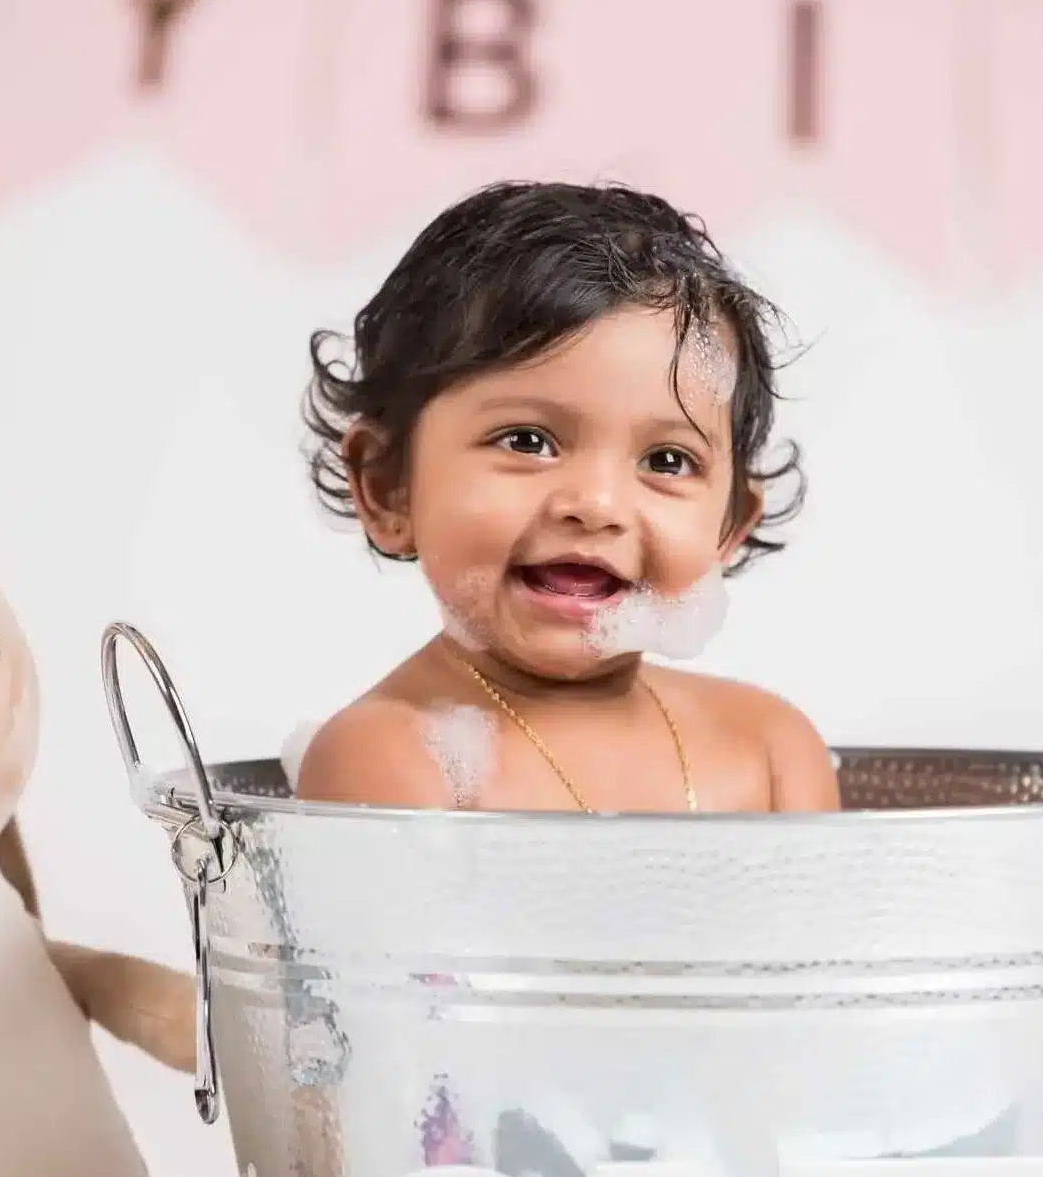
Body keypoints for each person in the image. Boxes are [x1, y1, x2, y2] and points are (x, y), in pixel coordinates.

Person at [292, 180, 841, 815]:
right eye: (527, 441)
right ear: (389, 487)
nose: (596, 504)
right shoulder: (392, 756)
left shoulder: (770, 751)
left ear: (728, 526)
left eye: (667, 460)